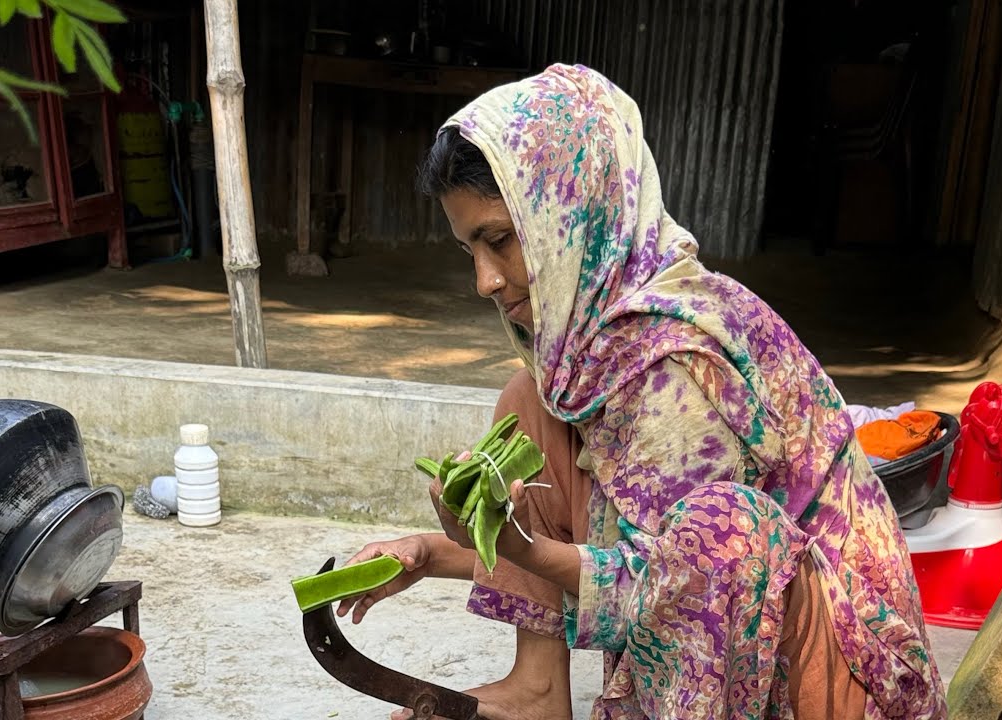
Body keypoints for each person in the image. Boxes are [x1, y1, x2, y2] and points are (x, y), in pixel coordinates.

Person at [337, 64, 946, 720]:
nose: (486, 280)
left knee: (724, 530)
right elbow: (620, 562)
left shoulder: (676, 365)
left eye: (500, 241)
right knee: (531, 403)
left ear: (567, 218)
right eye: (469, 252)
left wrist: (515, 547)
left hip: (830, 678)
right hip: (718, 622)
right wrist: (428, 553)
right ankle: (537, 690)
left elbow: (678, 585)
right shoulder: (601, 354)